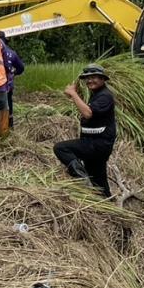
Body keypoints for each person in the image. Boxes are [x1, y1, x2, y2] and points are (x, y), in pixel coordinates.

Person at [53, 64, 116, 197]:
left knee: (60, 148)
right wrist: (75, 96)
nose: (89, 81)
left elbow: (88, 113)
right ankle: (107, 202)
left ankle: (81, 176)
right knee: (98, 179)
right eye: (87, 78)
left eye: (94, 77)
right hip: (94, 143)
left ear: (103, 79)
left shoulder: (105, 96)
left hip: (98, 144)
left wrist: (74, 94)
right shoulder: (96, 94)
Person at [0, 30, 25, 129]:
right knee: (7, 106)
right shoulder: (11, 53)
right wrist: (13, 73)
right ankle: (8, 128)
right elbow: (21, 68)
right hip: (7, 86)